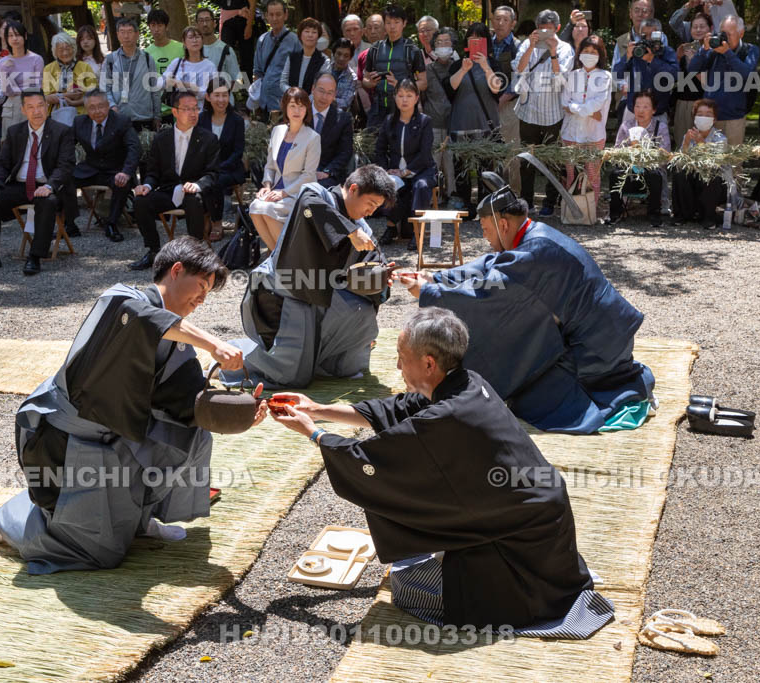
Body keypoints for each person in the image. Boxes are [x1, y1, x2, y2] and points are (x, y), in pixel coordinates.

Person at [269, 307, 615, 635]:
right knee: (419, 556)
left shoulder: (448, 416)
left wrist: (312, 432)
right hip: (536, 523)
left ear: (428, 363)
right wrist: (317, 409)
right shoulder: (466, 383)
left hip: (519, 552)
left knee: (407, 585)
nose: (398, 367)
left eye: (402, 359)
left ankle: (521, 601)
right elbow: (397, 409)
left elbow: (371, 460)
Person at [0, 237, 265, 573]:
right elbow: (144, 319)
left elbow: (189, 403)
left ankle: (141, 519)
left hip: (118, 435)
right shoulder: (121, 299)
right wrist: (213, 343)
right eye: (201, 286)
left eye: (207, 293)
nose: (201, 299)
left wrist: (242, 413)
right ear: (176, 270)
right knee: (96, 553)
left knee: (192, 436)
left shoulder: (180, 345)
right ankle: (8, 524)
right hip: (65, 442)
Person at [395, 187, 655, 434]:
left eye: (486, 230)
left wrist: (427, 293)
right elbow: (488, 266)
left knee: (523, 379)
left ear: (503, 224)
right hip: (607, 334)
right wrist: (436, 279)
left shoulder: (536, 251)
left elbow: (487, 294)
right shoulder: (534, 235)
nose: (485, 238)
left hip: (596, 351)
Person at [226, 164, 393, 388]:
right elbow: (309, 205)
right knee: (290, 376)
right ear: (353, 189)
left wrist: (380, 279)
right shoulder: (316, 194)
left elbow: (371, 264)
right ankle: (230, 363)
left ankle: (325, 364)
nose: (372, 212)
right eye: (371, 204)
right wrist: (350, 232)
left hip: (320, 296)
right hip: (282, 293)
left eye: (377, 208)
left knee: (360, 314)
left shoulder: (362, 227)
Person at [0, 91, 75, 276]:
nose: (37, 111)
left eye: (40, 105)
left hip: (48, 185)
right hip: (20, 185)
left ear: (47, 107)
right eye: (31, 107)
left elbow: (65, 166)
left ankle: (35, 256)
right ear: (23, 110)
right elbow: (1, 163)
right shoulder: (15, 132)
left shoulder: (62, 132)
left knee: (47, 201)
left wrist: (49, 186)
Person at [130, 91, 221, 270]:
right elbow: (153, 171)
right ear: (174, 112)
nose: (193, 113)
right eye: (187, 109)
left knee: (193, 199)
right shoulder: (161, 138)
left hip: (195, 194)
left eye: (196, 108)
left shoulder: (208, 139)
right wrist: (147, 186)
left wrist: (198, 185)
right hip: (168, 190)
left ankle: (194, 253)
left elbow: (213, 173)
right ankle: (154, 251)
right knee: (141, 201)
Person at [514, 11, 575, 217]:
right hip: (528, 109)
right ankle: (527, 201)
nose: (545, 30)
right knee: (526, 160)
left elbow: (561, 80)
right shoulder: (527, 44)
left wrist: (554, 52)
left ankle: (550, 202)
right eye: (541, 26)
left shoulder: (566, 48)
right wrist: (531, 46)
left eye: (549, 27)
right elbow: (518, 70)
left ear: (557, 28)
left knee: (553, 160)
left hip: (553, 112)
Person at [249, 87, 321, 251]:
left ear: (307, 109)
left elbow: (309, 175)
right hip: (275, 190)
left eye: (301, 106)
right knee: (254, 206)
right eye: (293, 106)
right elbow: (269, 166)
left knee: (267, 209)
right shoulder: (277, 130)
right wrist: (266, 186)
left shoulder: (313, 137)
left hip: (297, 192)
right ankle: (277, 255)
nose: (297, 110)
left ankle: (282, 256)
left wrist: (284, 192)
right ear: (285, 108)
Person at [63, 89, 140, 242]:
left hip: (115, 169)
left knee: (121, 184)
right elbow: (67, 147)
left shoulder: (121, 121)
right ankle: (69, 224)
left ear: (107, 105)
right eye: (92, 107)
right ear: (86, 109)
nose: (97, 111)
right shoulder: (79, 122)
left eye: (101, 106)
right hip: (91, 168)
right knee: (63, 180)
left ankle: (111, 224)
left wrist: (126, 172)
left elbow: (134, 148)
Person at [446, 23, 503, 220]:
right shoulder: (457, 64)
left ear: (486, 42)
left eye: (480, 38)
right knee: (461, 169)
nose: (475, 41)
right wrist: (463, 69)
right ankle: (465, 208)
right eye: (472, 38)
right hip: (460, 125)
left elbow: (497, 88)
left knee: (485, 169)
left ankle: (485, 208)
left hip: (485, 126)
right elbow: (450, 89)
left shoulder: (494, 64)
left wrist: (486, 67)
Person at [374, 78, 435, 248]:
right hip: (395, 171)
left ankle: (418, 232)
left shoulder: (424, 122)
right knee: (389, 185)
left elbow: (425, 154)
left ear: (416, 98)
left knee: (420, 186)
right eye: (400, 95)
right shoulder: (388, 122)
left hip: (421, 170)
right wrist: (386, 171)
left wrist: (406, 171)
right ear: (395, 98)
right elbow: (379, 151)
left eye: (409, 95)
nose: (404, 100)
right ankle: (391, 227)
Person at [559, 35, 612, 219]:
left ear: (600, 55)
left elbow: (599, 103)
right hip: (570, 132)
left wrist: (577, 108)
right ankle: (571, 211)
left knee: (592, 174)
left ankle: (590, 211)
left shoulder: (605, 77)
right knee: (571, 173)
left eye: (593, 52)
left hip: (593, 133)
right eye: (586, 51)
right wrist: (583, 110)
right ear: (579, 53)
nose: (589, 55)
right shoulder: (572, 75)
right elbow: (565, 102)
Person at [685, 15, 758, 146]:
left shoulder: (750, 50)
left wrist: (727, 53)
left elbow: (747, 74)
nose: (726, 38)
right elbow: (692, 70)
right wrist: (704, 49)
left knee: (733, 162)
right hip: (709, 119)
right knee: (707, 161)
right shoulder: (714, 50)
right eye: (723, 34)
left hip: (734, 119)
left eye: (730, 34)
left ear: (741, 33)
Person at [609, 90, 670, 227]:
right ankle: (615, 213)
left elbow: (665, 156)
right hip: (630, 170)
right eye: (637, 106)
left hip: (651, 171)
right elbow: (616, 152)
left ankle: (654, 214)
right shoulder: (626, 126)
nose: (640, 110)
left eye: (645, 107)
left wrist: (646, 155)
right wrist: (629, 150)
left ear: (654, 110)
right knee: (615, 174)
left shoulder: (660, 128)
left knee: (655, 175)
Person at [360, 5, 427, 129]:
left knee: (402, 146)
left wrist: (401, 85)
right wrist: (371, 83)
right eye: (388, 22)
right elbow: (365, 80)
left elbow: (423, 83)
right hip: (378, 108)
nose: (392, 27)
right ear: (384, 25)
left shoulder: (412, 50)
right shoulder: (374, 49)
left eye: (396, 22)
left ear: (404, 23)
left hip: (403, 108)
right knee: (375, 146)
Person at [671, 99, 730, 229]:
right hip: (693, 178)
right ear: (694, 117)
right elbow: (682, 160)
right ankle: (681, 215)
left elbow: (715, 162)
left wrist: (701, 142)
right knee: (679, 171)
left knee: (712, 175)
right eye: (700, 114)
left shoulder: (720, 138)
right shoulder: (689, 135)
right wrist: (686, 143)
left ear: (714, 119)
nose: (704, 117)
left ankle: (708, 217)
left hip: (715, 183)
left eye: (708, 115)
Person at [611, 18, 678, 131]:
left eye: (652, 35)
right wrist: (627, 56)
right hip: (633, 112)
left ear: (659, 35)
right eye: (644, 35)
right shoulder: (637, 51)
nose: (648, 39)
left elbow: (674, 76)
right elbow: (617, 74)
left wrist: (653, 60)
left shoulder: (667, 52)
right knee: (628, 147)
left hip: (658, 112)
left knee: (657, 148)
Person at [199, 77, 247, 227]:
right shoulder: (201, 119)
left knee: (216, 182)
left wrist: (219, 169)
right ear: (208, 96)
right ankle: (202, 218)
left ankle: (217, 222)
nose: (221, 100)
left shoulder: (237, 120)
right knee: (199, 181)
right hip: (207, 169)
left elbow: (238, 151)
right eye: (217, 95)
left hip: (230, 168)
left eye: (225, 95)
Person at [102, 18, 162, 132]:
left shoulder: (148, 59)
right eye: (122, 32)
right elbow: (105, 88)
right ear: (117, 34)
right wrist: (112, 106)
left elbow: (155, 89)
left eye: (129, 32)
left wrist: (157, 115)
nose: (126, 36)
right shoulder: (110, 60)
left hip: (144, 116)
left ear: (137, 34)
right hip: (119, 116)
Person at [424, 27, 456, 204]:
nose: (443, 46)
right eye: (439, 43)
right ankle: (432, 197)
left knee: (451, 162)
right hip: (434, 121)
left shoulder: (459, 67)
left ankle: (452, 195)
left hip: (454, 123)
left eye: (446, 42)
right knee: (434, 161)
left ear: (453, 45)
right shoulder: (428, 70)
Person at [252, 0, 300, 117]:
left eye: (278, 14)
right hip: (264, 103)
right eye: (271, 15)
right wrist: (256, 101)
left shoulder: (295, 41)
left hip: (284, 104)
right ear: (266, 16)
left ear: (285, 15)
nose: (275, 18)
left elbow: (299, 75)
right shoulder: (262, 40)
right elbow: (257, 72)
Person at [491, 5, 521, 194]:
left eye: (505, 20)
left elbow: (521, 77)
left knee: (512, 153)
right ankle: (494, 195)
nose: (500, 23)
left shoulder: (518, 46)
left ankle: (515, 195)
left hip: (510, 105)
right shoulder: (486, 44)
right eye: (497, 19)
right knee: (492, 153)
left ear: (513, 23)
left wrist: (504, 97)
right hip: (487, 106)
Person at [0, 21, 44, 137]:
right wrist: (6, 71)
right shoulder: (3, 62)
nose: (14, 39)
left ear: (25, 36)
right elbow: (5, 91)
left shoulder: (36, 59)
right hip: (11, 108)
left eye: (18, 34)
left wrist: (17, 89)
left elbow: (37, 87)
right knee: (11, 144)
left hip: (31, 106)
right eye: (10, 35)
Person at [673, 12, 712, 146]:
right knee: (682, 144)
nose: (698, 30)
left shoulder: (713, 51)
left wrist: (693, 62)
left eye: (702, 26)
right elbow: (676, 79)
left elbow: (709, 83)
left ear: (710, 29)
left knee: (702, 145)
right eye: (695, 27)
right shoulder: (685, 48)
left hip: (703, 105)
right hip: (683, 102)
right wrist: (678, 59)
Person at [310, 73, 354, 190]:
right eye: (321, 91)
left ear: (334, 95)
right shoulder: (302, 113)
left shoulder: (343, 119)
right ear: (313, 89)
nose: (324, 97)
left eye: (330, 93)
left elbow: (345, 152)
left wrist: (327, 172)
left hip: (327, 174)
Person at [43, 32, 97, 125]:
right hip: (56, 117)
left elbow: (93, 96)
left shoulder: (85, 67)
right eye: (60, 50)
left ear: (74, 48)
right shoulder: (49, 69)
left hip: (82, 116)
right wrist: (69, 95)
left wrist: (73, 103)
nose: (65, 53)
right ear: (55, 51)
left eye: (68, 48)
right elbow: (47, 98)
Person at [163, 26, 218, 106]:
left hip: (203, 112)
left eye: (197, 37)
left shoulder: (210, 66)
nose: (195, 41)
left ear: (202, 41)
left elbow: (213, 94)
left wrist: (188, 85)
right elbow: (161, 82)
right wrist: (170, 81)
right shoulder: (177, 63)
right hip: (181, 112)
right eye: (191, 37)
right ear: (184, 42)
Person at [281, 17, 328, 96]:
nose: (310, 35)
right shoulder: (292, 57)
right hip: (292, 102)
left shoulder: (324, 60)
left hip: (313, 104)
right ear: (300, 35)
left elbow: (323, 86)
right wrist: (293, 95)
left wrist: (306, 100)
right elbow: (283, 82)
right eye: (306, 31)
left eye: (314, 32)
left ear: (318, 36)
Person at [195, 7, 241, 84]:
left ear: (214, 23)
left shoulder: (226, 50)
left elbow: (234, 79)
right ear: (196, 25)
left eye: (207, 20)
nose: (205, 24)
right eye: (201, 21)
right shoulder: (192, 50)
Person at [145, 8, 183, 77]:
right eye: (153, 25)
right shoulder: (146, 53)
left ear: (167, 27)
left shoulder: (182, 48)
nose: (156, 29)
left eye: (160, 25)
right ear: (149, 27)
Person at [327, 38, 356, 109]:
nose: (341, 58)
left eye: (346, 56)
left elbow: (345, 102)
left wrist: (325, 98)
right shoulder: (324, 68)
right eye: (339, 54)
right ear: (333, 53)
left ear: (350, 58)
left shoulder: (352, 77)